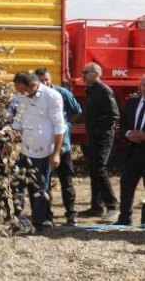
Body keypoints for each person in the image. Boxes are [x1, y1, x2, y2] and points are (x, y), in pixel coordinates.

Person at [11, 72, 66, 232]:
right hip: (23, 150)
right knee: (17, 186)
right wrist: (10, 137)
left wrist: (56, 153)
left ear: (33, 86)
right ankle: (19, 221)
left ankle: (39, 224)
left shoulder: (52, 97)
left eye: (23, 90)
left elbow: (59, 127)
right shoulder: (20, 97)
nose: (20, 94)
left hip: (44, 151)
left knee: (40, 189)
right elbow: (19, 121)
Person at [35, 67, 82, 226]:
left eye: (46, 79)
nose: (44, 82)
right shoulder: (34, 97)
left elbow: (77, 110)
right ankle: (48, 216)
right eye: (41, 81)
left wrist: (65, 124)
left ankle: (71, 214)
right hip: (43, 148)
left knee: (66, 181)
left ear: (50, 78)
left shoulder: (62, 93)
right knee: (45, 182)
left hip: (63, 146)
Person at [79, 62, 119, 220]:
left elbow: (113, 115)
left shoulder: (104, 90)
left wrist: (98, 131)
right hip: (93, 136)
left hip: (102, 137)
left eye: (85, 72)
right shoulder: (91, 90)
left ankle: (112, 206)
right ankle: (96, 207)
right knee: (94, 169)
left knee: (100, 169)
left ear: (96, 74)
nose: (83, 76)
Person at [115, 75, 145, 226]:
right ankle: (124, 219)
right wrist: (128, 134)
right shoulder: (133, 102)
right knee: (126, 184)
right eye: (143, 85)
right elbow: (124, 122)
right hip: (133, 151)